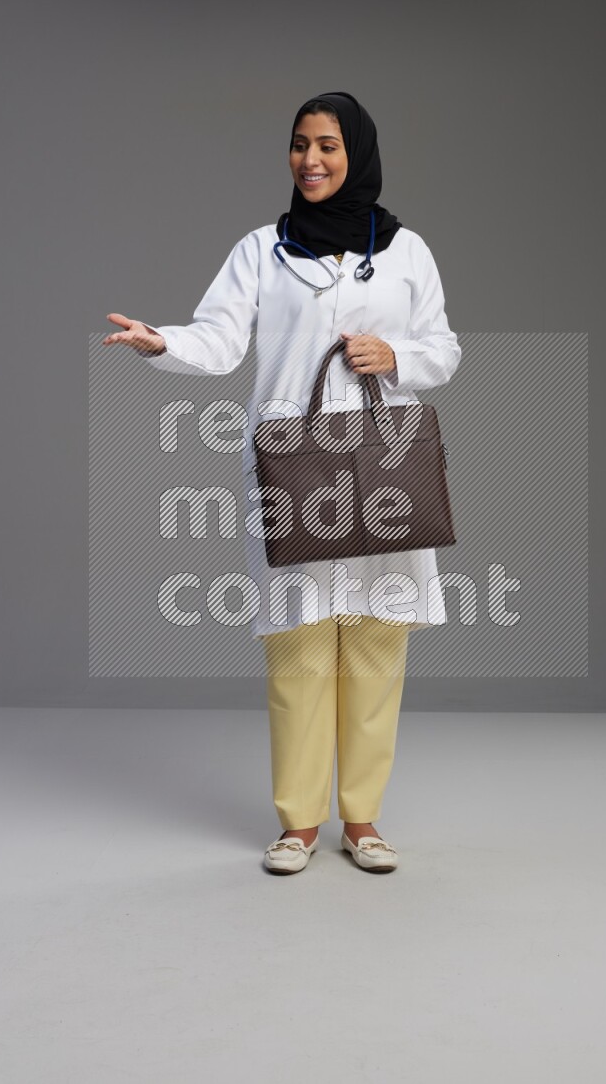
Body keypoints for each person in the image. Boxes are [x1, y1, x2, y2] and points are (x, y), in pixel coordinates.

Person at [102, 91, 461, 875]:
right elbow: (222, 338)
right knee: (298, 647)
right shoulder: (262, 250)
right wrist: (161, 340)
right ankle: (299, 822)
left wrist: (394, 356)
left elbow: (445, 348)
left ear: (356, 152)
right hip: (296, 463)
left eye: (327, 145)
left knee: (374, 645)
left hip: (382, 462)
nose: (310, 161)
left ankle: (361, 818)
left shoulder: (406, 252)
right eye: (299, 145)